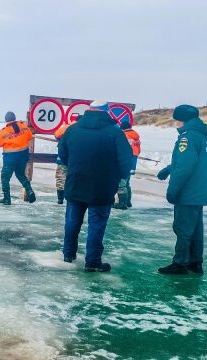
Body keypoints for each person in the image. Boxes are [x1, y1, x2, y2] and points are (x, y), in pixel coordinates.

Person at [58, 100, 132, 272]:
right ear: (107, 112)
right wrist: (120, 176)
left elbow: (62, 153)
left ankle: (68, 254)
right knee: (97, 223)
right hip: (102, 186)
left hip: (76, 182)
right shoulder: (115, 132)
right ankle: (92, 261)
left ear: (89, 110)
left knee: (72, 221)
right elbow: (125, 160)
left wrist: (74, 167)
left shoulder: (73, 129)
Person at [156, 105, 207, 275]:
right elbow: (188, 161)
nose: (176, 122)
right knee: (196, 228)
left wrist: (172, 190)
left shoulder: (187, 138)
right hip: (199, 191)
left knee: (182, 227)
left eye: (177, 119)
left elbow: (184, 167)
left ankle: (180, 263)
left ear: (182, 120)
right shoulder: (202, 135)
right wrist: (168, 169)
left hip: (188, 192)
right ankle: (195, 262)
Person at [0, 111, 36, 205]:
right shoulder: (23, 126)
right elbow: (29, 136)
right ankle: (30, 191)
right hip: (23, 156)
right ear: (15, 118)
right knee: (20, 175)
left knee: (5, 178)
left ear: (6, 120)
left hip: (10, 158)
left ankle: (7, 199)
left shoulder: (4, 132)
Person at [113, 121, 141, 209]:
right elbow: (137, 150)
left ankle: (122, 203)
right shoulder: (135, 136)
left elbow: (122, 150)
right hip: (133, 162)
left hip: (125, 161)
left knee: (121, 183)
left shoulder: (125, 136)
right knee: (127, 182)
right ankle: (128, 202)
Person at [53, 117, 78, 204]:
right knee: (75, 179)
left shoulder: (66, 127)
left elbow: (56, 135)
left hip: (62, 158)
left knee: (61, 178)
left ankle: (60, 199)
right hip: (76, 160)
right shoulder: (84, 130)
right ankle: (72, 199)